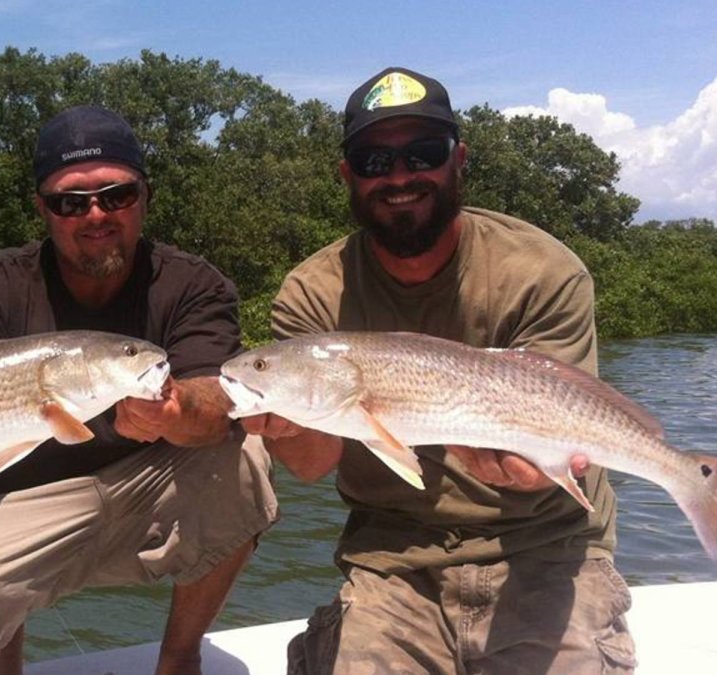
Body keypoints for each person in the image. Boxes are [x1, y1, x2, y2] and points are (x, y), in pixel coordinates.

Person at [241, 67, 637, 673]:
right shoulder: (312, 293)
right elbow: (314, 462)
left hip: (547, 548)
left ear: (459, 160)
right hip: (393, 560)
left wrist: (527, 470)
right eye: (374, 160)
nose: (399, 176)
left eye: (422, 153)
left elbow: (559, 421)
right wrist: (280, 415)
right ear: (347, 175)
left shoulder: (541, 270)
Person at [0, 104, 279, 675]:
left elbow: (217, 397)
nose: (95, 214)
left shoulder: (193, 284)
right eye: (70, 201)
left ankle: (180, 657)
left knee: (245, 453)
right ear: (44, 209)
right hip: (12, 504)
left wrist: (173, 410)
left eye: (115, 195)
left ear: (144, 196)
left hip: (149, 488)